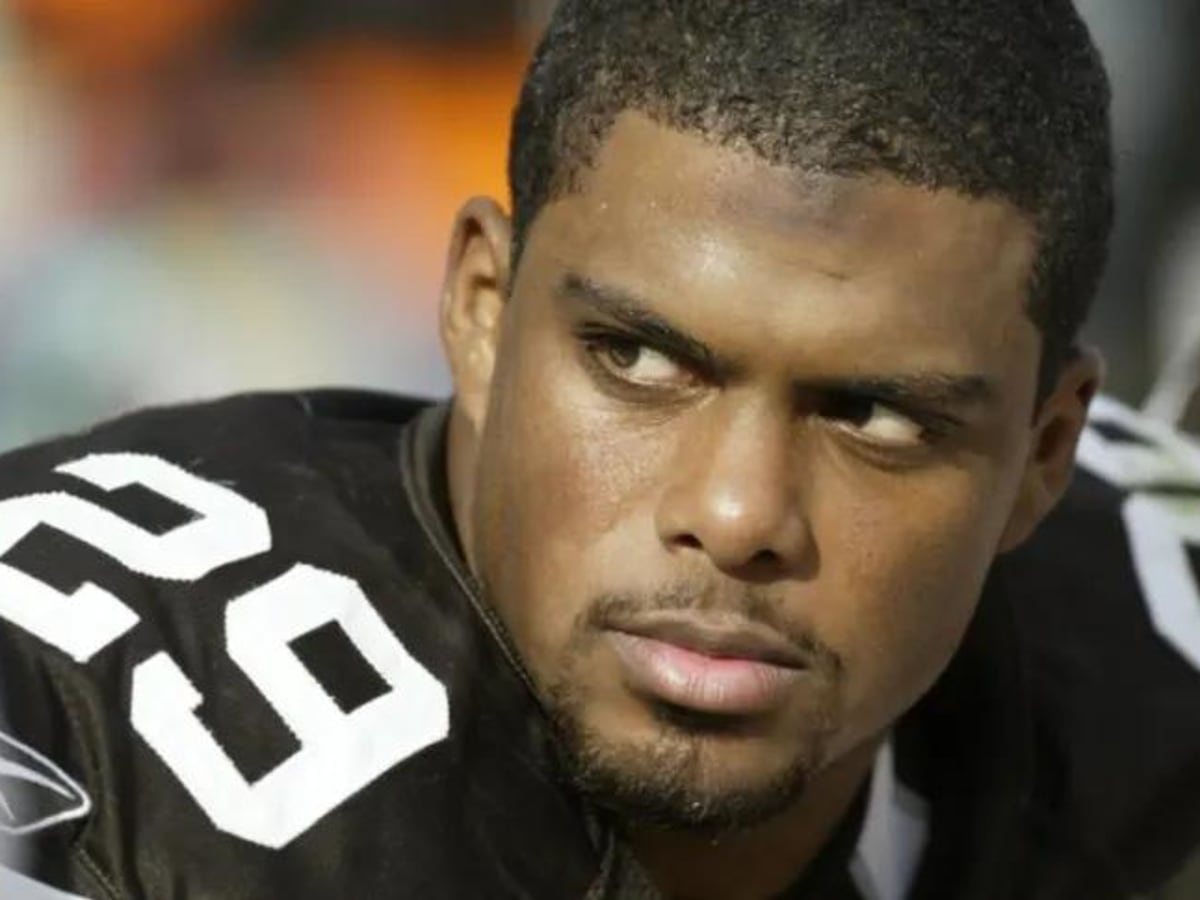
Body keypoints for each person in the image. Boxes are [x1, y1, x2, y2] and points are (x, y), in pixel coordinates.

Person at [1, 1, 1199, 898]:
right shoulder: (74, 724)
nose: (736, 515)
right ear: (480, 307)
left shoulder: (1150, 654)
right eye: (638, 359)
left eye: (876, 418)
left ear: (1046, 452)